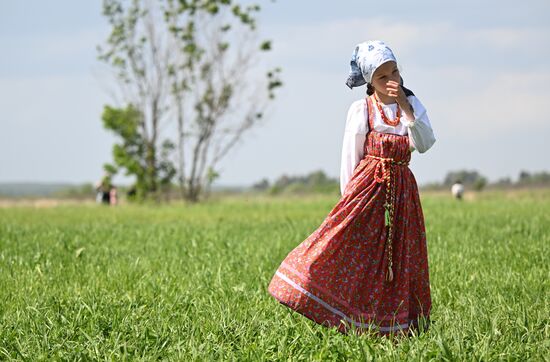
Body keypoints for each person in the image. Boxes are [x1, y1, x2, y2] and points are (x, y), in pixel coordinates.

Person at [268, 40, 436, 336]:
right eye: (383, 77)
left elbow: (423, 144)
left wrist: (407, 107)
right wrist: (349, 205)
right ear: (371, 81)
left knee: (397, 258)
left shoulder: (413, 105)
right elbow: (350, 159)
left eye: (394, 72)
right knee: (358, 257)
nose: (391, 81)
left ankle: (394, 327)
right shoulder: (361, 110)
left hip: (402, 195)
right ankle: (346, 317)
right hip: (367, 191)